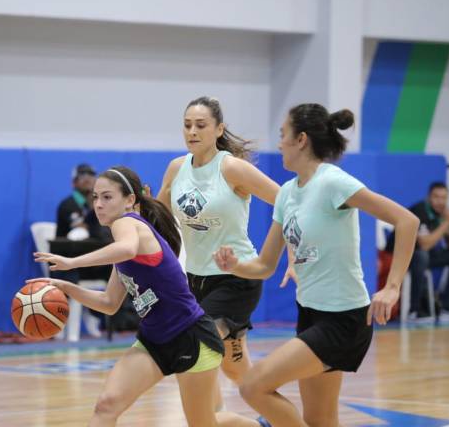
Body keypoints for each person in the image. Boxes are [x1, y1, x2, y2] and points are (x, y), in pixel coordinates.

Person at [213, 104, 419, 427]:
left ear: (302, 139)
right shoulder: (286, 195)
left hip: (345, 320)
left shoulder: (333, 182)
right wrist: (235, 265)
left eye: (283, 135)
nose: (279, 142)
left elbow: (407, 221)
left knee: (253, 386)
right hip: (309, 314)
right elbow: (266, 265)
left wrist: (392, 288)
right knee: (320, 420)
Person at [32, 166, 262, 427]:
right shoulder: (121, 253)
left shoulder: (127, 225)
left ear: (130, 200)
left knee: (204, 423)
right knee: (107, 405)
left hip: (191, 337)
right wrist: (67, 288)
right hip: (154, 341)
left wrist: (72, 262)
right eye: (95, 197)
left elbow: (126, 248)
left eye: (107, 197)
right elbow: (108, 304)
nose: (98, 204)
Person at [155, 96, 281, 408]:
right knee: (237, 370)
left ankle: (210, 418)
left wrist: (287, 254)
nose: (192, 132)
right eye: (187, 125)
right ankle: (276, 417)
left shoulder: (232, 168)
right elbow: (158, 220)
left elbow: (287, 203)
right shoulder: (176, 168)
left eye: (200, 125)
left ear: (218, 129)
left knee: (198, 346)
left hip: (236, 277)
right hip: (196, 280)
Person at [389, 182, 449, 322]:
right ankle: (414, 310)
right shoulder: (420, 210)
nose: (440, 201)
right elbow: (425, 244)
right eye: (436, 197)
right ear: (429, 197)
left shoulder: (442, 214)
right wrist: (446, 223)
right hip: (398, 256)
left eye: (444, 198)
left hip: (422, 256)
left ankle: (448, 308)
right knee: (422, 255)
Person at [54, 163, 112, 337]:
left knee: (116, 268)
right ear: (74, 182)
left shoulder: (99, 204)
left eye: (91, 175)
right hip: (68, 260)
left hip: (91, 260)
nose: (87, 179)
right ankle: (60, 317)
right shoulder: (68, 205)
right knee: (69, 273)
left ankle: (98, 315)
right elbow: (81, 228)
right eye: (82, 176)